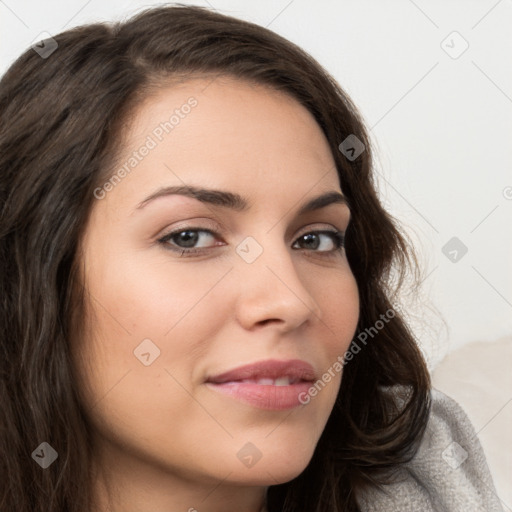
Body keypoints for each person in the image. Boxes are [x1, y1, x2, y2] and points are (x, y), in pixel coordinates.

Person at [0, 5, 503, 512]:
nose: (291, 300)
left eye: (316, 239)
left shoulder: (442, 481)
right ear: (30, 280)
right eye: (191, 237)